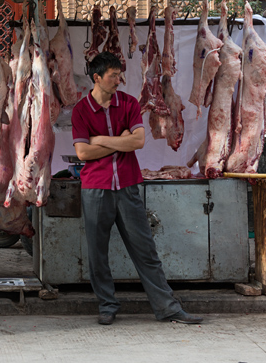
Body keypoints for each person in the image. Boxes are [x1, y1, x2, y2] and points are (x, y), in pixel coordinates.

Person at [71, 52, 203, 326]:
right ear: (97, 78)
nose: (119, 80)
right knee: (97, 254)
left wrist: (101, 141)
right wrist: (119, 140)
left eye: (119, 75)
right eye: (113, 76)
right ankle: (107, 305)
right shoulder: (81, 110)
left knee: (146, 251)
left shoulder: (130, 104)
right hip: (95, 188)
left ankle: (167, 308)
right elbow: (83, 152)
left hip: (128, 187)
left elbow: (138, 142)